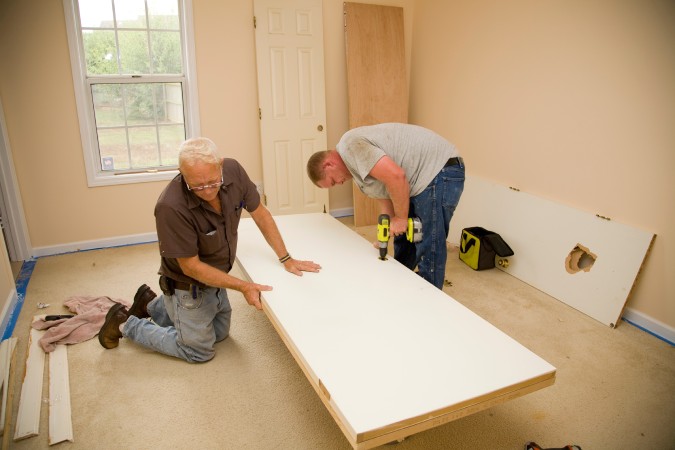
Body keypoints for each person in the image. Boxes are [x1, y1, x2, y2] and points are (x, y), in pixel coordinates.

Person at [98, 137, 321, 363]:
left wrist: (286, 258)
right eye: (197, 185)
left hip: (216, 279)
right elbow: (191, 267)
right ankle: (125, 323)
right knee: (199, 351)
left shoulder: (233, 170)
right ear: (181, 173)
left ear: (221, 164)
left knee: (220, 335)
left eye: (213, 182)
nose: (206, 191)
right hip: (188, 285)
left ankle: (150, 305)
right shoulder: (170, 207)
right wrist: (243, 286)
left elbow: (260, 213)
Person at [307, 123, 464, 289]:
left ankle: (430, 301)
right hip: (422, 178)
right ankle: (402, 286)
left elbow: (396, 177)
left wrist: (401, 218)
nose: (339, 183)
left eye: (333, 181)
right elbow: (386, 195)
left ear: (328, 165)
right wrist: (386, 233)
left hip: (440, 169)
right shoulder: (357, 172)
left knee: (429, 242)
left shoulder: (351, 146)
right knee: (403, 237)